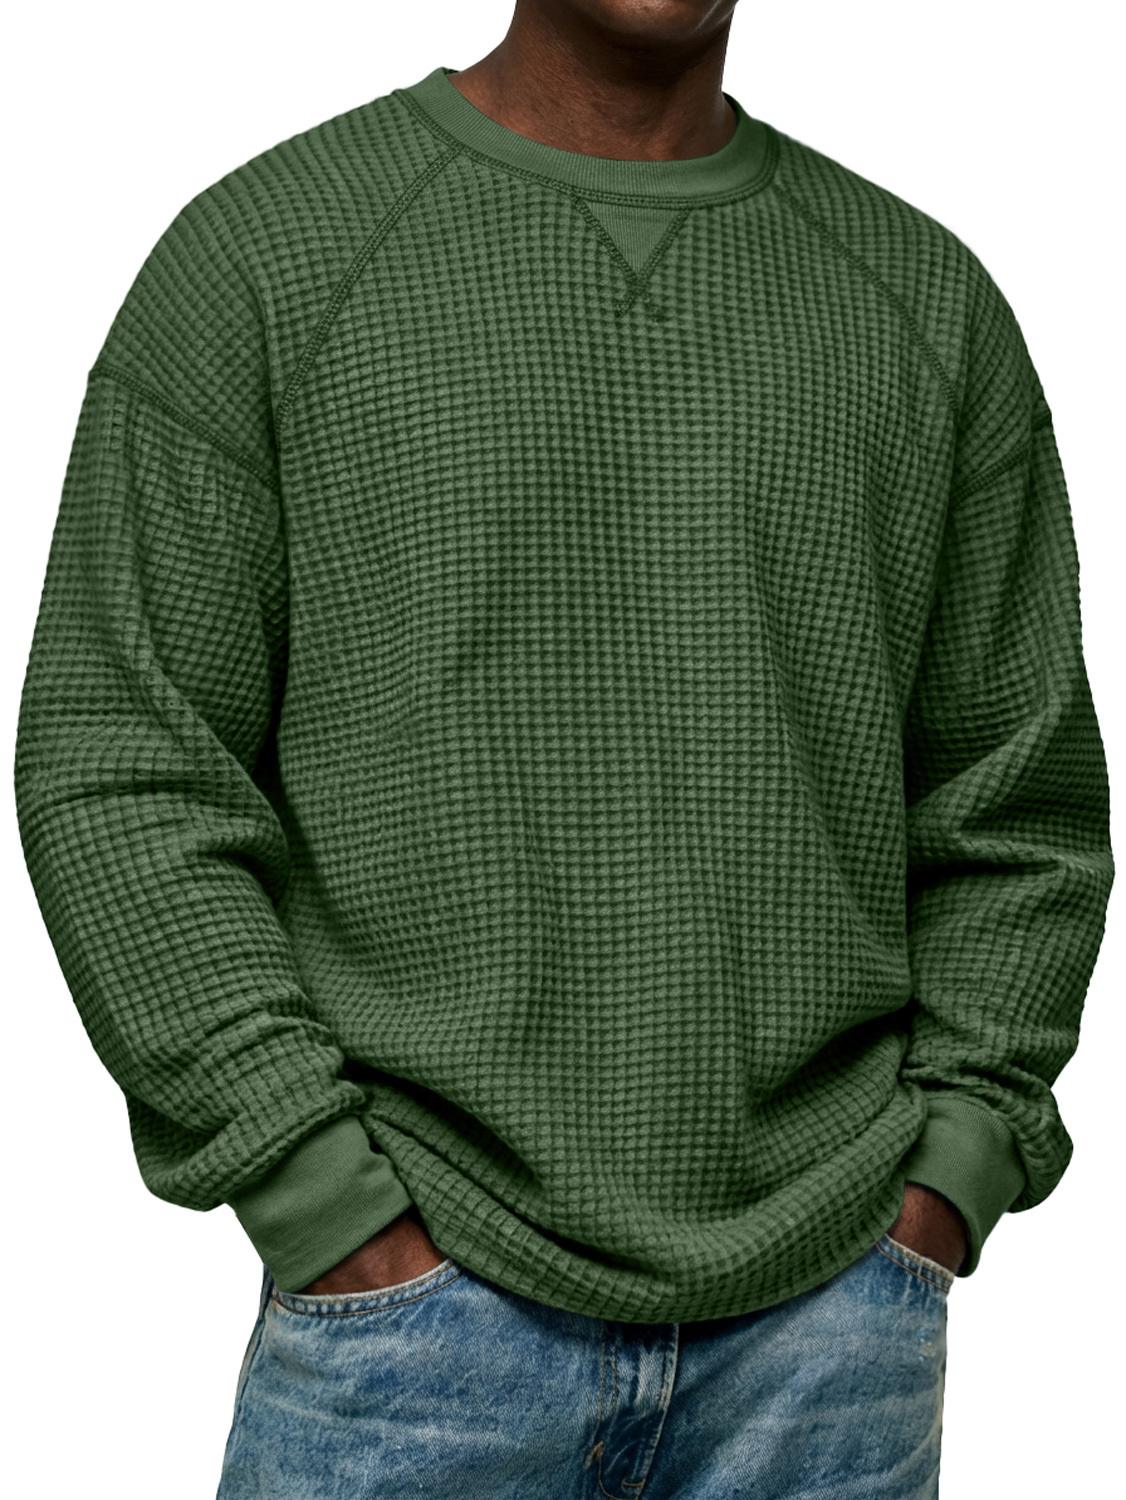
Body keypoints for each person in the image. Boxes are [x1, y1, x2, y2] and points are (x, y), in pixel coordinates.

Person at [13, 1, 1114, 1496]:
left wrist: (952, 1172)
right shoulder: (265, 257)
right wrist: (315, 1189)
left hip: (830, 1336)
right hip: (404, 1333)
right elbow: (123, 761)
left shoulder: (923, 299)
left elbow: (1018, 800)